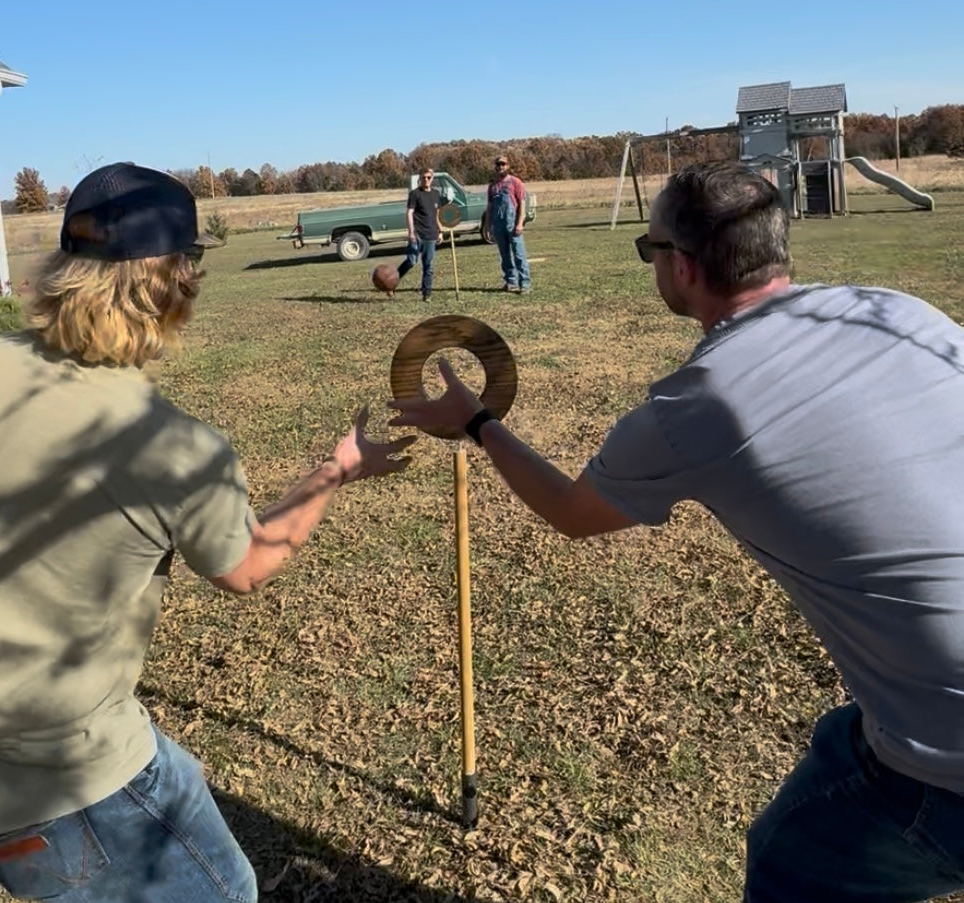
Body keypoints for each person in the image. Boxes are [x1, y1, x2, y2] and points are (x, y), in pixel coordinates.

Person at [391, 161, 964, 903]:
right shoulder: (904, 312)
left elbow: (571, 511)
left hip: (945, 757)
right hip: (923, 710)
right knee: (839, 746)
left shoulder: (698, 405)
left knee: (795, 866)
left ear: (683, 267)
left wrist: (476, 422)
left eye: (649, 247)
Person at [0, 162, 414, 903]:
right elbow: (246, 566)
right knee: (225, 888)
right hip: (44, 780)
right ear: (176, 284)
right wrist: (337, 470)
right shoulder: (176, 449)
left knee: (174, 784)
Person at [395, 167, 444, 303]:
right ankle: (392, 282)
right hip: (417, 234)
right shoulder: (415, 194)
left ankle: (426, 293)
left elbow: (437, 215)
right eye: (423, 177)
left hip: (431, 235)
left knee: (428, 265)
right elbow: (409, 213)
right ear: (419, 179)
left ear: (432, 178)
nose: (426, 180)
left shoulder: (436, 194)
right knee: (411, 261)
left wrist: (440, 231)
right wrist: (411, 232)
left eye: (429, 177)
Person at [486, 153, 531, 293]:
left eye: (503, 164)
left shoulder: (515, 182)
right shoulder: (492, 186)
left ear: (508, 166)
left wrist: (519, 223)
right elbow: (489, 207)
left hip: (512, 224)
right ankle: (510, 281)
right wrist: (488, 225)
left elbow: (522, 204)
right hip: (498, 225)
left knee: (519, 254)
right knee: (504, 256)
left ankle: (524, 284)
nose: (501, 166)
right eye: (498, 164)